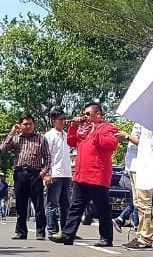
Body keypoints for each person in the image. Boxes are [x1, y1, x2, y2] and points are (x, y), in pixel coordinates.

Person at [51, 103, 119, 246]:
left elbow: (112, 144)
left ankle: (106, 238)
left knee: (102, 208)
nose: (85, 116)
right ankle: (68, 235)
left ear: (98, 114)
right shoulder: (83, 129)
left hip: (97, 175)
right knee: (75, 206)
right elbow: (71, 142)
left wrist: (94, 132)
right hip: (81, 175)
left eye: (88, 114)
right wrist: (74, 126)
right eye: (84, 114)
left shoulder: (107, 128)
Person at [2, 114, 52, 239]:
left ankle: (40, 232)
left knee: (39, 204)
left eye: (30, 123)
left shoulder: (41, 139)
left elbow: (47, 157)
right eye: (25, 124)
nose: (28, 126)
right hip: (20, 174)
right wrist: (12, 132)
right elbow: (3, 148)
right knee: (21, 204)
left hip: (35, 174)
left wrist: (44, 172)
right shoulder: (16, 138)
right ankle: (21, 232)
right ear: (20, 125)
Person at [43, 110, 73, 238]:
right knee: (52, 204)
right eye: (60, 119)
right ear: (53, 121)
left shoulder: (66, 135)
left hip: (66, 174)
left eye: (64, 119)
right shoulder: (49, 136)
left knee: (65, 205)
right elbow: (45, 156)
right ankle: (52, 230)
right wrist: (47, 174)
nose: (63, 122)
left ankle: (66, 231)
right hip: (55, 173)